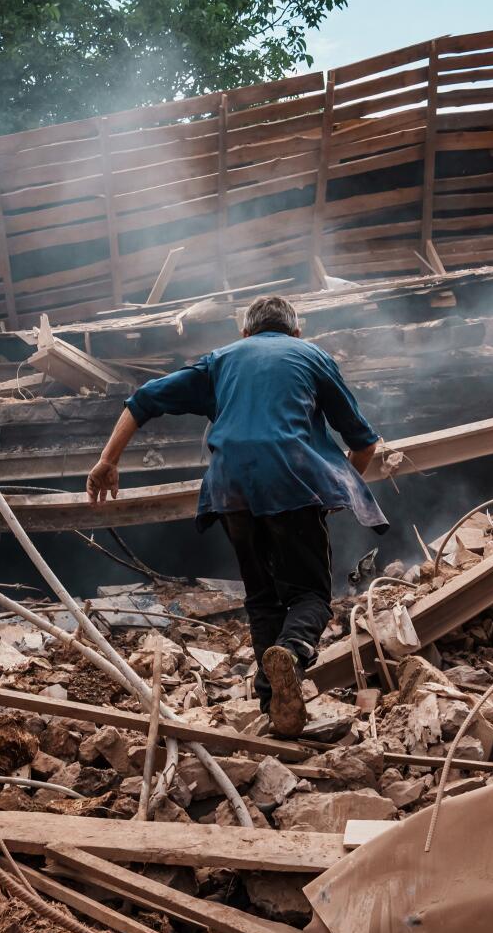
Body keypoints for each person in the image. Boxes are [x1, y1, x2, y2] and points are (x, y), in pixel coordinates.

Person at [87, 294, 385, 736]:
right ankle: (294, 650)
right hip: (291, 480)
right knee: (310, 597)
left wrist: (108, 461)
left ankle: (274, 707)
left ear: (244, 333)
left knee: (262, 598)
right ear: (296, 333)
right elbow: (363, 443)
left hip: (229, 488)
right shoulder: (311, 356)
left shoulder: (220, 360)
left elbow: (142, 400)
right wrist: (331, 494)